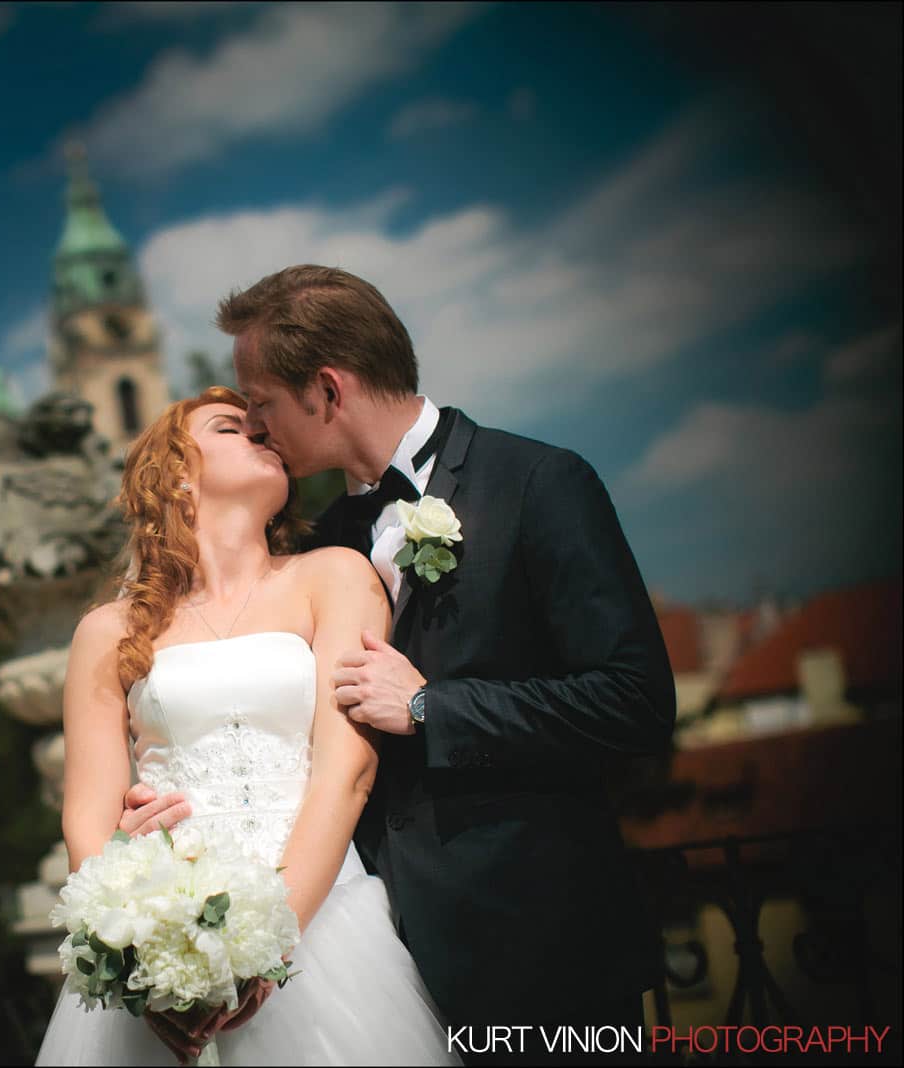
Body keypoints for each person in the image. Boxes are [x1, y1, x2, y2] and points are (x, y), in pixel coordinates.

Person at [122, 266, 676, 1063]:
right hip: (372, 956)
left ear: (326, 390)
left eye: (262, 404)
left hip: (537, 944)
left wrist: (432, 710)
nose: (255, 424)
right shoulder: (318, 545)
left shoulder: (535, 484)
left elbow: (635, 702)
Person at [35, 387, 460, 1066]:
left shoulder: (332, 576)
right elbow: (86, 822)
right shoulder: (108, 631)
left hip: (323, 919)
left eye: (264, 428)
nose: (263, 433)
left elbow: (346, 773)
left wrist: (262, 947)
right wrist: (146, 951)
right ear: (176, 471)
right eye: (234, 427)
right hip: (172, 932)